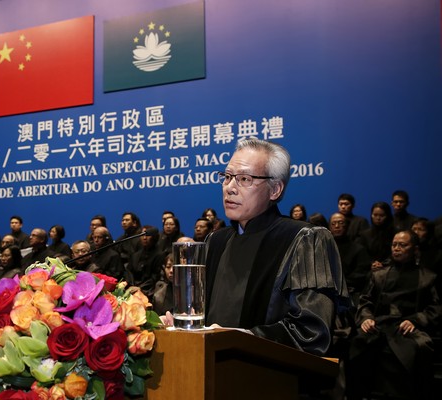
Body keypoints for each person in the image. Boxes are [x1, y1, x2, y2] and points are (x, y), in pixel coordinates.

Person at [199, 138, 348, 356]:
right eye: (227, 177)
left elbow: (312, 333)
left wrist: (240, 338)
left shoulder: (305, 239)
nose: (229, 188)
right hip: (209, 373)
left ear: (275, 189)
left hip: (271, 380)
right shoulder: (215, 241)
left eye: (244, 179)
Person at [346, 230, 441, 399]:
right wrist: (366, 318)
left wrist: (416, 320)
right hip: (379, 326)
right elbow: (365, 301)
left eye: (403, 245)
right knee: (357, 342)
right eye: (394, 244)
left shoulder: (428, 277)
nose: (397, 248)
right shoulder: (379, 275)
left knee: (420, 347)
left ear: (415, 249)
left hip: (408, 327)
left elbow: (435, 308)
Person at [125, 225, 163, 297]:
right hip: (133, 288)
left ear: (154, 237)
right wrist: (132, 285)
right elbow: (129, 272)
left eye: (147, 235)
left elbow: (156, 277)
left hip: (150, 290)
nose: (144, 238)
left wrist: (140, 288)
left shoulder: (159, 255)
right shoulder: (136, 255)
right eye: (142, 235)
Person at [356, 201, 395, 269]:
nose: (378, 218)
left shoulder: (395, 234)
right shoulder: (364, 235)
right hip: (368, 268)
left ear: (388, 216)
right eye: (375, 215)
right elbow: (362, 255)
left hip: (390, 267)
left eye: (382, 215)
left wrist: (383, 264)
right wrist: (372, 263)